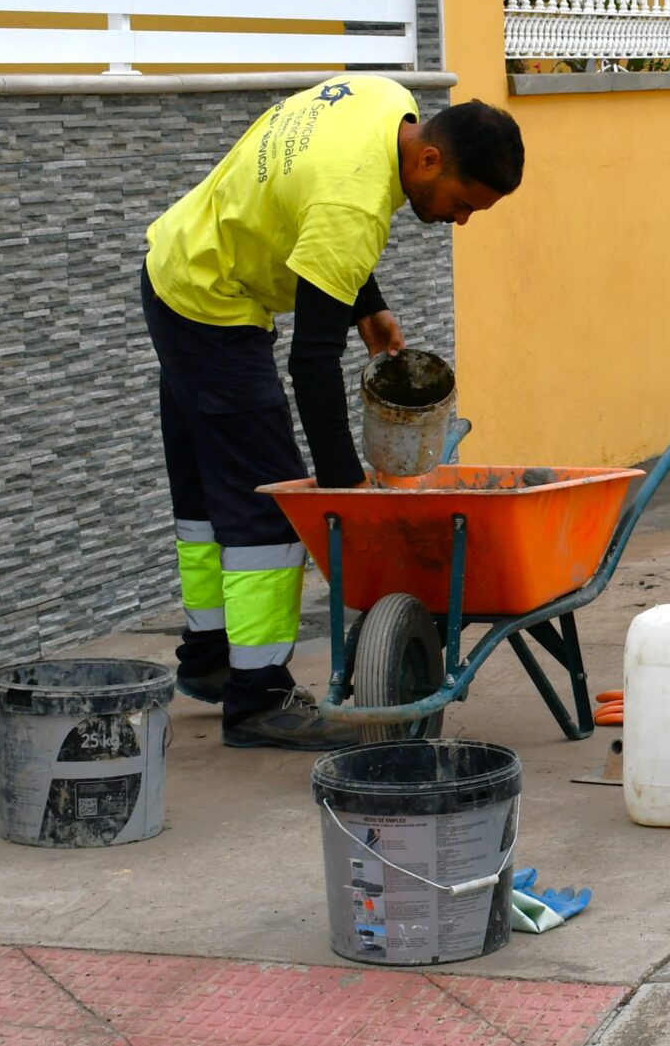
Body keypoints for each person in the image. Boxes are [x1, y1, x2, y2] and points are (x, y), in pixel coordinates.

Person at [142, 77, 525, 748]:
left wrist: (366, 304)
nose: (461, 221)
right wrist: (345, 494)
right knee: (269, 505)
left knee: (208, 491)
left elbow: (315, 209)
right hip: (211, 301)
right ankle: (257, 698)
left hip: (177, 262)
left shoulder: (385, 102)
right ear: (428, 161)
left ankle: (209, 657)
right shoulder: (355, 204)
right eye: (463, 204)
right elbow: (312, 365)